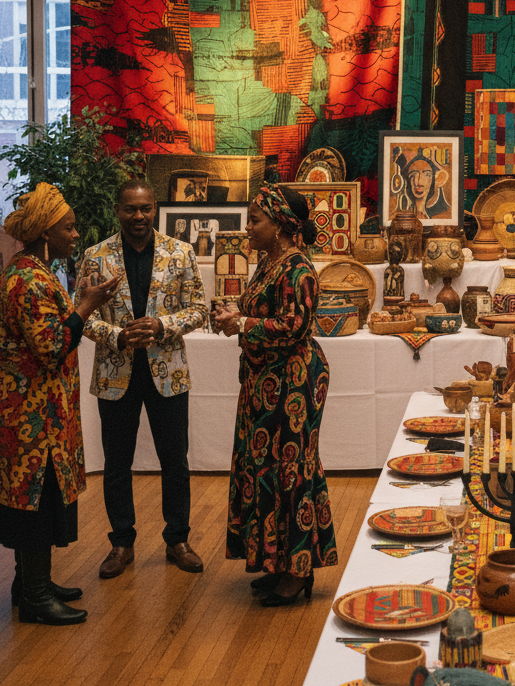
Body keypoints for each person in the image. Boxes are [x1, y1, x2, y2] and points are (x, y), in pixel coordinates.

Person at [76, 179, 208, 579]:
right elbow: (81, 313)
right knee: (117, 462)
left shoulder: (181, 252)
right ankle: (121, 543)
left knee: (175, 460)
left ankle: (178, 540)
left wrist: (162, 325)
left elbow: (199, 308)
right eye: (131, 209)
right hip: (116, 374)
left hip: (167, 372)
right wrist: (117, 335)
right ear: (117, 210)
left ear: (156, 209)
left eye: (146, 209)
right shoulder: (95, 257)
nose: (139, 217)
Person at [212, 184, 338, 606]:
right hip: (264, 383)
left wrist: (243, 324)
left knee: (290, 470)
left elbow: (293, 327)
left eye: (255, 220)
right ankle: (275, 562)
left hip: (292, 384)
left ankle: (297, 571)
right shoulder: (270, 264)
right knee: (263, 467)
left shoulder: (298, 269)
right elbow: (262, 315)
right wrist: (236, 317)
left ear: (281, 225)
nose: (248, 228)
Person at [0, 183, 120, 624]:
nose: (76, 234)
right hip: (31, 417)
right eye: (68, 228)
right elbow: (51, 345)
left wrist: (86, 301)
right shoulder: (27, 279)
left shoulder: (38, 268)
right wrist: (86, 306)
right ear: (46, 232)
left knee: (41, 498)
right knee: (35, 501)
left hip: (45, 412)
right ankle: (33, 596)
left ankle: (30, 584)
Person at [392, 147, 451, 220]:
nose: (419, 182)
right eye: (413, 175)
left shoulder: (446, 213)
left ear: (439, 179)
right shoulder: (402, 207)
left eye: (427, 175)